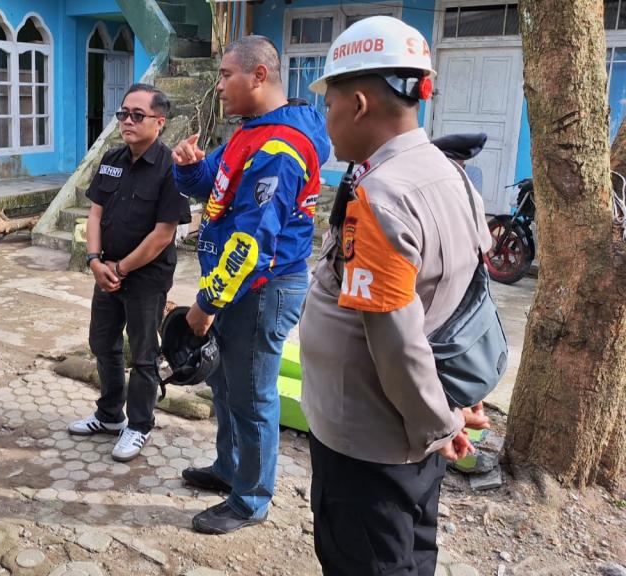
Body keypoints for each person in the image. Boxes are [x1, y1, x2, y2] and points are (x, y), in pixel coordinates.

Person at [299, 16, 492, 575]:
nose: (326, 120)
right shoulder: (447, 171)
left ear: (358, 104)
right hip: (415, 425)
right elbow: (464, 299)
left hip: (372, 441)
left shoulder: (381, 195)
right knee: (409, 552)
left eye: (329, 104)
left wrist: (441, 425)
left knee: (370, 560)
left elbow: (396, 341)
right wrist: (453, 403)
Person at [171, 36, 330, 534]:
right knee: (224, 383)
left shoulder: (280, 147)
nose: (218, 87)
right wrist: (190, 167)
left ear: (259, 76)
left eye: (225, 75)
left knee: (253, 393)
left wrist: (205, 304)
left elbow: (252, 241)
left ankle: (251, 499)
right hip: (237, 283)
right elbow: (212, 187)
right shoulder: (248, 132)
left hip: (261, 287)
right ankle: (229, 470)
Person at [67, 84, 189, 462]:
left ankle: (139, 425)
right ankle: (109, 415)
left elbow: (163, 234)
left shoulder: (172, 169)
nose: (128, 121)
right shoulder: (112, 158)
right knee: (102, 342)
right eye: (123, 114)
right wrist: (93, 261)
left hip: (146, 278)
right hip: (106, 270)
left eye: (138, 115)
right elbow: (96, 213)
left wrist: (118, 267)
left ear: (159, 121)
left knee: (144, 354)